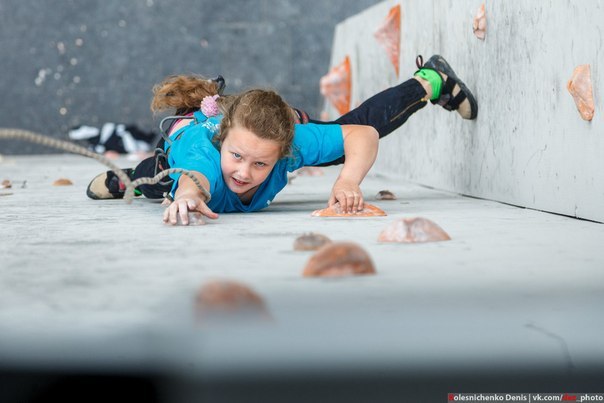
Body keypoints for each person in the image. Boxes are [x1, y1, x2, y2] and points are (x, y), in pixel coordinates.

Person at [86, 54, 477, 225]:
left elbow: (362, 133)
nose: (243, 172)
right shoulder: (202, 152)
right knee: (161, 179)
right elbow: (197, 178)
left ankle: (431, 81)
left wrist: (348, 181)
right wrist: (187, 197)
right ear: (224, 140)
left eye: (261, 164)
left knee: (343, 132)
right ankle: (127, 178)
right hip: (185, 147)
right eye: (238, 157)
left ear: (283, 152)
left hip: (267, 125)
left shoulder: (289, 145)